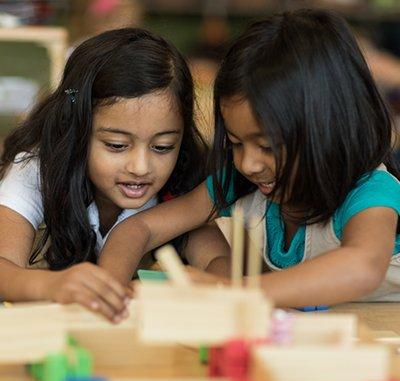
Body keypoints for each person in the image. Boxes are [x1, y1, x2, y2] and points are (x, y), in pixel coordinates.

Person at [99, 9, 400, 307]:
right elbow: (140, 228)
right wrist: (109, 294)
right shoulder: (238, 182)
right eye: (235, 143)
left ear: (330, 127)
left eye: (267, 147)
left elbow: (362, 267)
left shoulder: (369, 190)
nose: (247, 164)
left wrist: (235, 292)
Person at [0, 27, 220, 321]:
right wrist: (52, 284)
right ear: (76, 129)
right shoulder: (37, 169)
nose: (140, 167)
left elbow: (217, 260)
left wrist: (214, 286)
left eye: (163, 146)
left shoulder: (183, 182)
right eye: (116, 145)